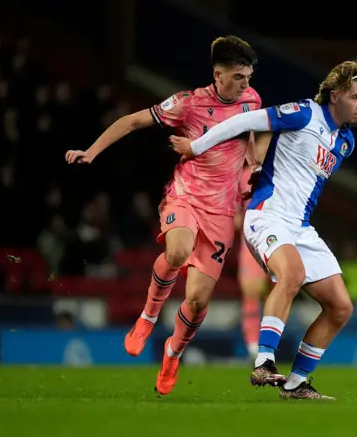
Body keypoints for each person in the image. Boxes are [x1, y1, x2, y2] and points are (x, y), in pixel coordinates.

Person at [65, 35, 268, 396]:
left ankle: (173, 354)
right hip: (185, 197)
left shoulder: (251, 102)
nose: (246, 84)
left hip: (222, 212)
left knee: (197, 300)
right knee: (176, 252)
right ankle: (147, 316)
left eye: (249, 77)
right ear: (218, 75)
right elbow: (130, 121)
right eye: (239, 77)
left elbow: (255, 141)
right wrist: (91, 152)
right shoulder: (188, 104)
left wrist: (253, 166)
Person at [170, 58, 357, 400]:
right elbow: (244, 121)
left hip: (299, 227)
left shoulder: (345, 142)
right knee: (292, 274)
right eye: (356, 96)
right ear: (335, 95)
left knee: (341, 306)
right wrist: (196, 147)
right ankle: (264, 362)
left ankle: (297, 384)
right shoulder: (302, 113)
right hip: (267, 215)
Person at [236, 163, 270, 359]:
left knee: (280, 292)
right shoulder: (243, 176)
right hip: (251, 242)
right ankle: (252, 345)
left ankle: (268, 345)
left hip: (278, 238)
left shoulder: (282, 169)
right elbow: (235, 213)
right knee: (251, 293)